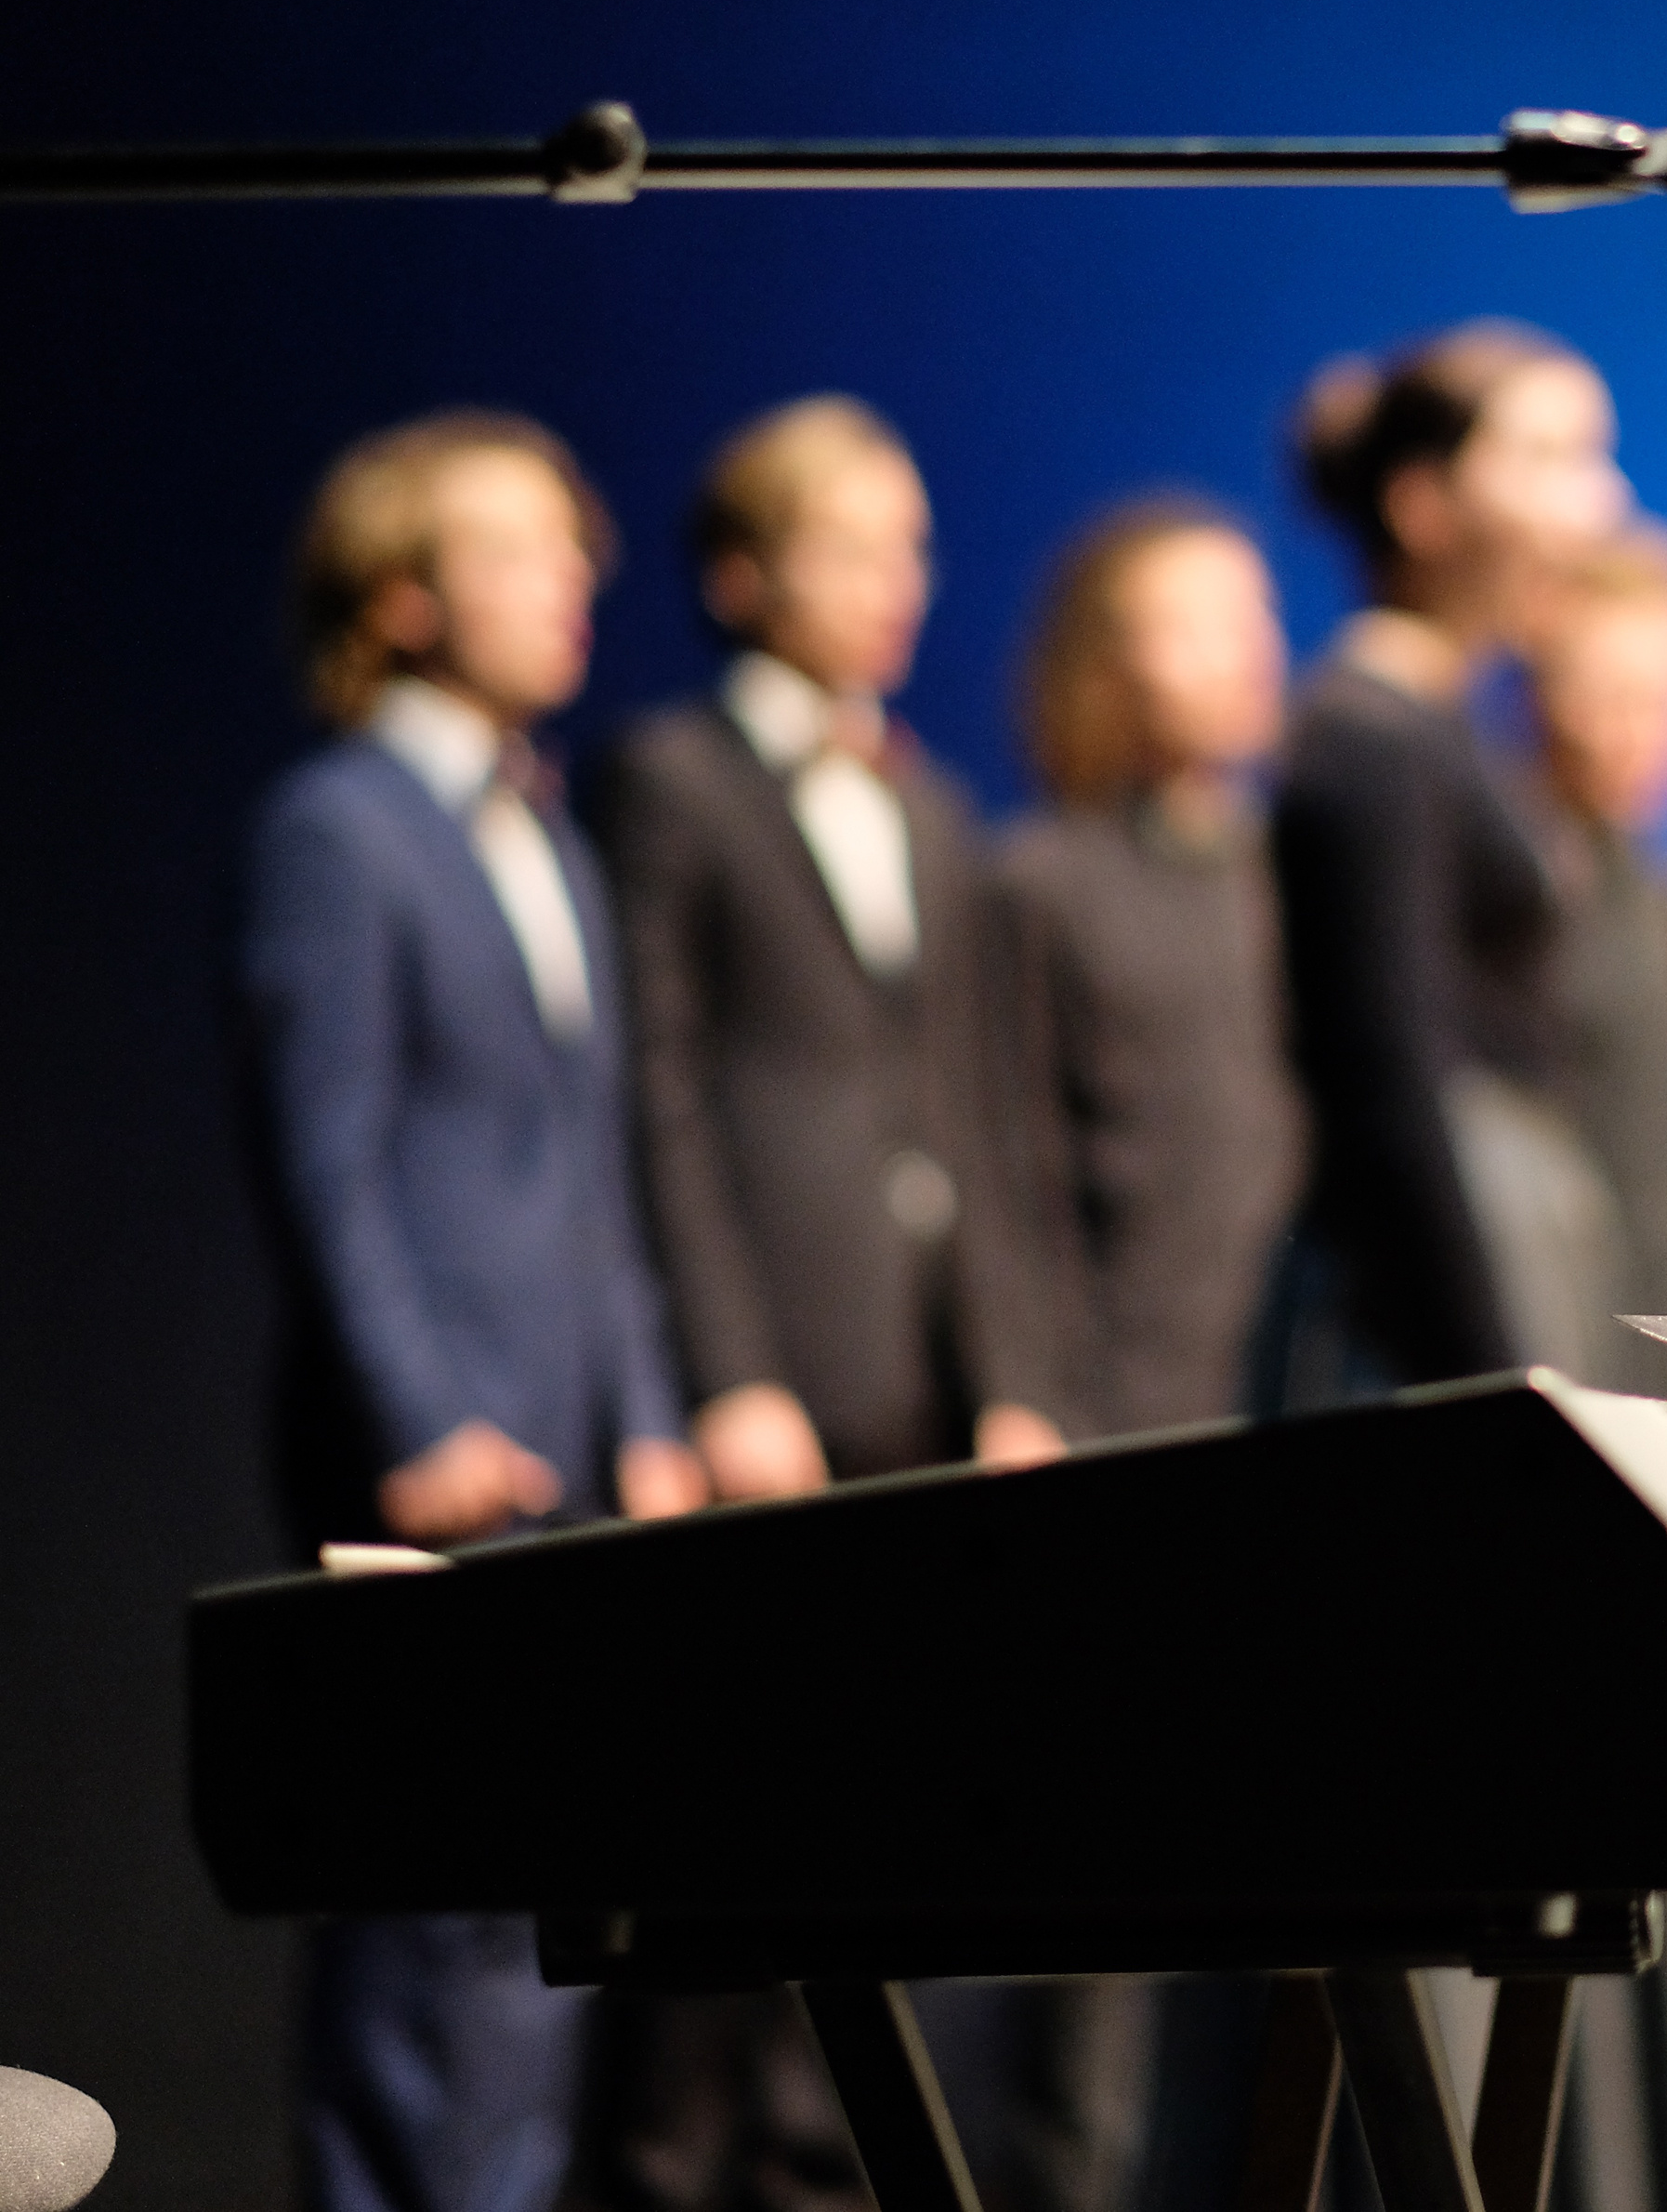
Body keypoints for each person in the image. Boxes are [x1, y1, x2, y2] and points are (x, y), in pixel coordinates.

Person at [585, 394, 1065, 2212]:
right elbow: (665, 1087)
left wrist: (1012, 1377)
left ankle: (818, 2180)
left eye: (913, 544)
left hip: (913, 1386)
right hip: (777, 1379)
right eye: (853, 543)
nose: (896, 582)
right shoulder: (678, 778)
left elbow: (975, 1119)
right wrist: (727, 1367)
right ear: (745, 571)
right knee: (720, 1856)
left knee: (869, 1848)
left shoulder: (927, 801)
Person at [240, 409, 708, 2212]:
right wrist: (414, 1415)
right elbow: (324, 1155)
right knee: (417, 1922)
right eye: (520, 547)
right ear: (405, 594)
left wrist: (650, 1403)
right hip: (436, 1459)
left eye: (574, 545)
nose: (570, 580)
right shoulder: (339, 825)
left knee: (535, 1929)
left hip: (570, 1461)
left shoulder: (546, 836)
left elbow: (591, 1177)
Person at [1270, 321, 1633, 1398]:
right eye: (1550, 460)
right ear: (1422, 505)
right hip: (1448, 1306)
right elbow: (1389, 1088)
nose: (1598, 507)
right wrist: (1487, 1372)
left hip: (1516, 1246)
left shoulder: (1443, 728)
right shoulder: (1367, 742)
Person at [998, 494, 1308, 1444]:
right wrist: (1025, 1391)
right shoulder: (1040, 880)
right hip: (1126, 1386)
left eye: (1253, 617)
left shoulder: (1288, 869)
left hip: (1297, 1366)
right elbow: (1014, 1160)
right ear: (1106, 663)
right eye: (1192, 627)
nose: (1243, 653)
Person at [1524, 522, 1667, 1399]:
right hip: (1547, 1350)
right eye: (1608, 694)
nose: (1639, 733)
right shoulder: (1509, 894)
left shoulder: (1662, 894)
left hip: (1663, 1346)